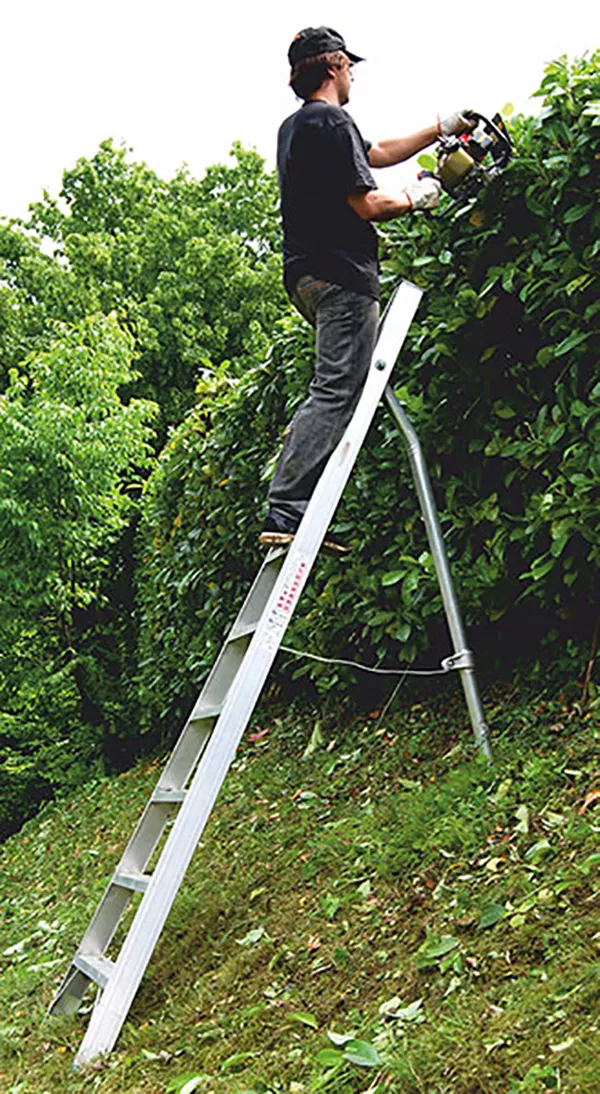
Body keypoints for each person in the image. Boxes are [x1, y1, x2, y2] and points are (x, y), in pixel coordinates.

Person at [260, 25, 474, 552]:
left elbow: (374, 153)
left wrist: (439, 127)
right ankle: (287, 510)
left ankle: (294, 468)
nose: (353, 73)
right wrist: (419, 195)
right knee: (336, 390)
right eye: (349, 65)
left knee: (329, 386)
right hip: (342, 275)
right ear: (333, 64)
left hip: (308, 276)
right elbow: (367, 202)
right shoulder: (333, 120)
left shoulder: (299, 126)